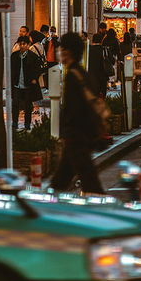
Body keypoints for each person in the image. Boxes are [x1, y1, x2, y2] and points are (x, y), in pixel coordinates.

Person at [51, 32, 106, 194]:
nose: (59, 52)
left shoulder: (73, 76)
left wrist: (67, 132)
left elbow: (73, 109)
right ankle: (50, 208)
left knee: (88, 180)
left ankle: (103, 211)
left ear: (68, 51)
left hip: (77, 137)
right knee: (64, 179)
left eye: (61, 49)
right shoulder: (82, 73)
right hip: (82, 136)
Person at [10, 36, 40, 131]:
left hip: (28, 85)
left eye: (24, 44)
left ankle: (27, 124)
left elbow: (37, 69)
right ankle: (15, 123)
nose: (22, 46)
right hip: (16, 84)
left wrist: (34, 78)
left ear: (28, 45)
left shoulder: (33, 56)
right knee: (15, 104)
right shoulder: (14, 56)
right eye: (20, 44)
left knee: (28, 106)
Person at [88, 31, 108, 97]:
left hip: (90, 76)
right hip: (102, 76)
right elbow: (111, 61)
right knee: (101, 96)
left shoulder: (88, 50)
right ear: (101, 40)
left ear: (92, 40)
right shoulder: (103, 50)